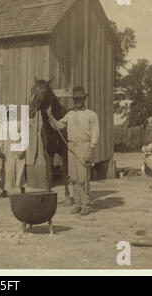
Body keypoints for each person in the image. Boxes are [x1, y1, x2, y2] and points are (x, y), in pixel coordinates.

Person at [46, 85, 100, 216]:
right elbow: (57, 126)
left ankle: (86, 204)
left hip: (84, 147)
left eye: (80, 99)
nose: (78, 101)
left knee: (83, 178)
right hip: (71, 147)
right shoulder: (69, 114)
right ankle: (77, 203)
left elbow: (95, 133)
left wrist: (91, 149)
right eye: (76, 99)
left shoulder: (91, 115)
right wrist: (49, 114)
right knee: (74, 178)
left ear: (84, 99)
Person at [0, 110, 26, 197]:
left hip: (17, 149)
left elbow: (24, 137)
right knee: (6, 171)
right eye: (9, 116)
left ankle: (22, 189)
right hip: (7, 150)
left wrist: (22, 150)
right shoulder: (3, 126)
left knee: (19, 169)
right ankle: (4, 190)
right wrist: (0, 150)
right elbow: (0, 139)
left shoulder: (19, 124)